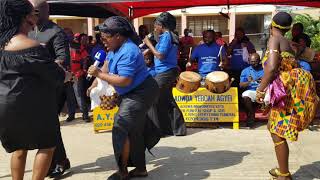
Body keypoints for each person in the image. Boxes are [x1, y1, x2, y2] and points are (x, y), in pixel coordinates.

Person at [0, 0, 69, 179]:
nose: (35, 16)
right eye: (33, 13)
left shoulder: (1, 44)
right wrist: (66, 75)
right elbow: (55, 75)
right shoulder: (31, 46)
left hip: (5, 106)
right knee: (47, 145)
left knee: (18, 149)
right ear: (25, 17)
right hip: (33, 105)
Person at [87, 16, 160, 180]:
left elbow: (125, 80)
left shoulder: (129, 51)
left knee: (120, 127)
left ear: (118, 36)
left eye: (105, 38)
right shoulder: (114, 47)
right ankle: (140, 169)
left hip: (142, 91)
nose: (103, 41)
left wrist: (99, 74)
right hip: (131, 91)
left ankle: (122, 171)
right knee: (134, 130)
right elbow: (107, 65)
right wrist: (97, 83)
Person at [256, 12, 319, 180]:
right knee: (276, 129)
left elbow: (271, 68)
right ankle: (281, 169)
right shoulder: (291, 43)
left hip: (282, 92)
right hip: (290, 90)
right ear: (289, 28)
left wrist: (260, 90)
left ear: (272, 25)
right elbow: (312, 55)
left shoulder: (274, 39)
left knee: (277, 132)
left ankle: (284, 174)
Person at [28, 0, 71, 177]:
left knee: (50, 124)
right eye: (31, 13)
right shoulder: (29, 31)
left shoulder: (56, 32)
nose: (32, 16)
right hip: (35, 86)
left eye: (35, 12)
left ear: (45, 12)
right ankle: (57, 160)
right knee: (43, 125)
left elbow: (63, 59)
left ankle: (59, 161)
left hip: (54, 85)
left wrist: (42, 68)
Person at [143, 11, 187, 136]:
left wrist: (148, 43)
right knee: (167, 100)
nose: (155, 28)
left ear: (162, 25)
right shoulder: (166, 36)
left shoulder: (167, 36)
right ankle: (175, 129)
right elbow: (157, 50)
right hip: (166, 71)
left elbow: (160, 55)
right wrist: (146, 49)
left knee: (151, 96)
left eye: (156, 25)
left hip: (166, 72)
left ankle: (156, 131)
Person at [69, 33, 90, 122]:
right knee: (69, 95)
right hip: (67, 74)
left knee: (79, 94)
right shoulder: (65, 46)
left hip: (78, 73)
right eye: (75, 38)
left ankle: (85, 114)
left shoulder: (80, 47)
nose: (76, 39)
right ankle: (71, 114)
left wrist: (84, 69)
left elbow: (85, 58)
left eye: (77, 38)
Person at [239, 53, 264, 128]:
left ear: (259, 61)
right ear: (249, 61)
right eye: (252, 61)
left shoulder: (265, 69)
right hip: (252, 91)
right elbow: (241, 85)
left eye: (255, 61)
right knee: (245, 96)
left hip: (263, 91)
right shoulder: (245, 71)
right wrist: (249, 82)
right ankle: (250, 118)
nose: (254, 63)